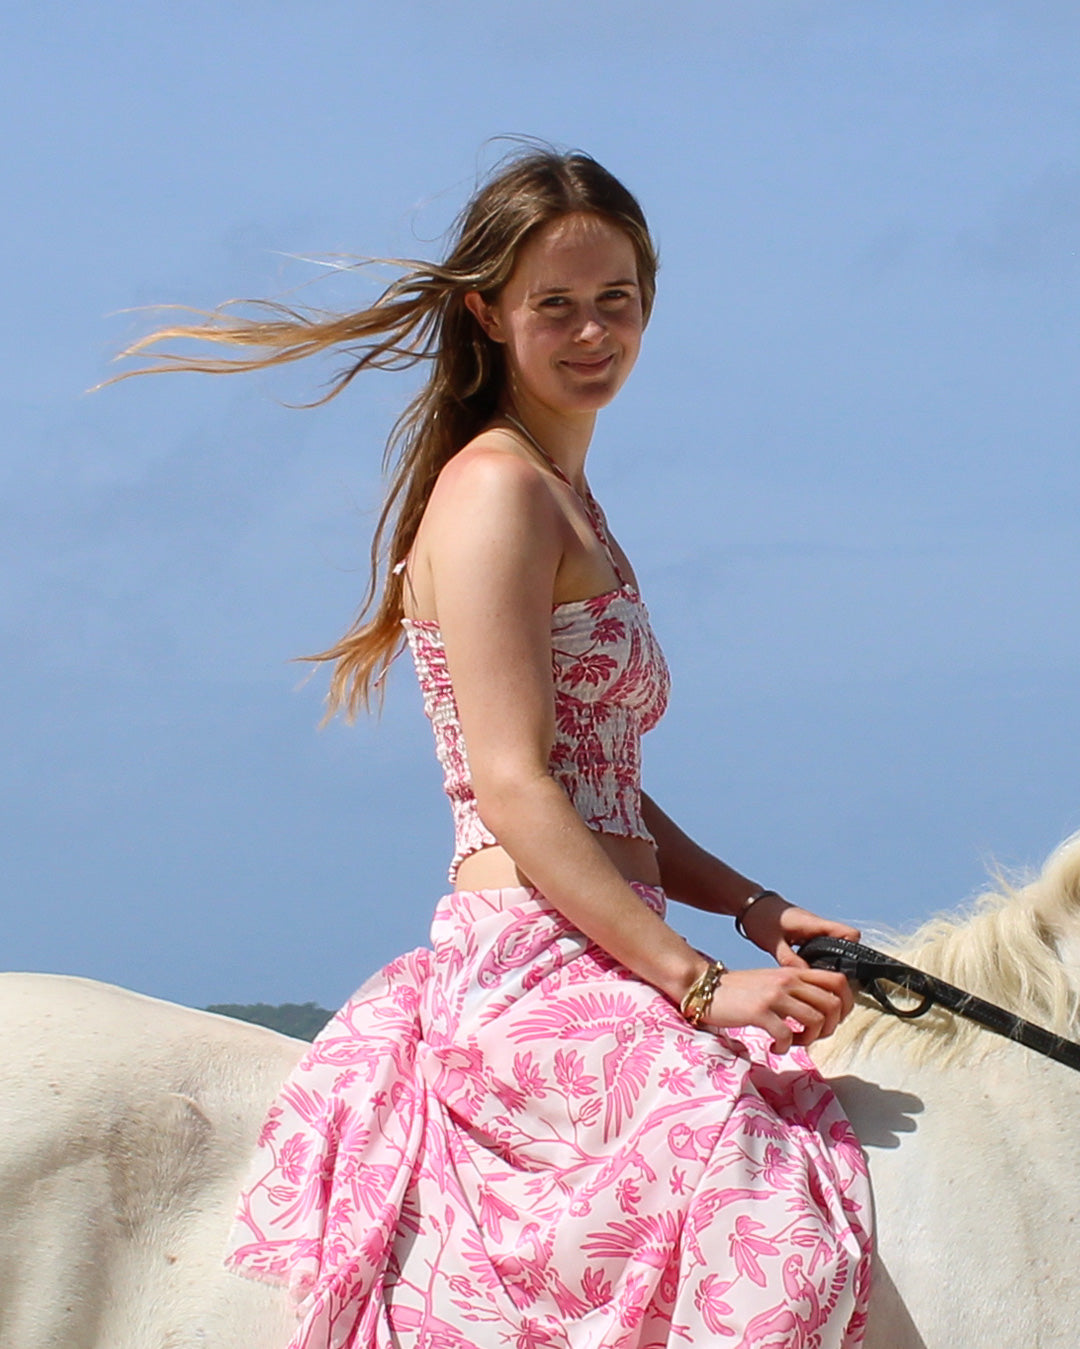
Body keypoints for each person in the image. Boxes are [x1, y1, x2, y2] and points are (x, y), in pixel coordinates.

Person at [123, 147, 872, 1348]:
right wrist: (696, 980)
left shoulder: (570, 497)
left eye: (615, 300)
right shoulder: (496, 493)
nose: (592, 333)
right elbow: (520, 789)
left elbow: (605, 791)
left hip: (600, 928)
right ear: (490, 314)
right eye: (556, 306)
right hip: (534, 955)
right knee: (758, 1203)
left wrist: (756, 906)